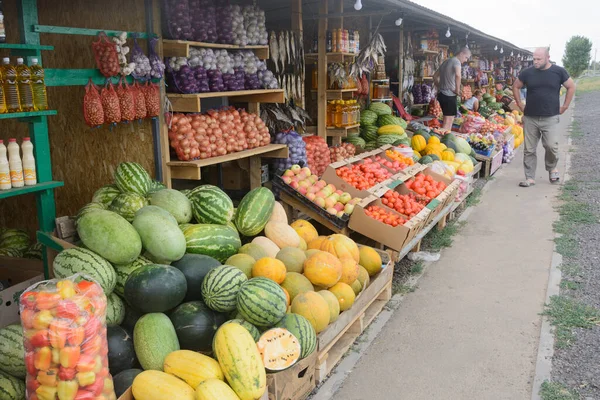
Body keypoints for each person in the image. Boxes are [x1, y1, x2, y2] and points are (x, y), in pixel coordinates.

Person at [513, 48, 576, 187]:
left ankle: (552, 167)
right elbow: (516, 86)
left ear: (548, 57)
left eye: (539, 59)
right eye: (534, 59)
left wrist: (565, 106)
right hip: (530, 117)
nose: (535, 61)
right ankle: (529, 177)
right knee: (529, 149)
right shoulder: (527, 73)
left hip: (550, 117)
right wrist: (519, 104)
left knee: (551, 146)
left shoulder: (559, 71)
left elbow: (571, 87)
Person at [434, 47, 472, 130]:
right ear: (461, 53)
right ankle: (444, 140)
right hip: (449, 95)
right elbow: (458, 75)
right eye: (466, 57)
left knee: (445, 119)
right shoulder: (456, 61)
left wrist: (439, 86)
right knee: (448, 121)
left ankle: (443, 139)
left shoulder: (446, 61)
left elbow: (435, 76)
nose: (466, 60)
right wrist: (457, 90)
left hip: (441, 94)